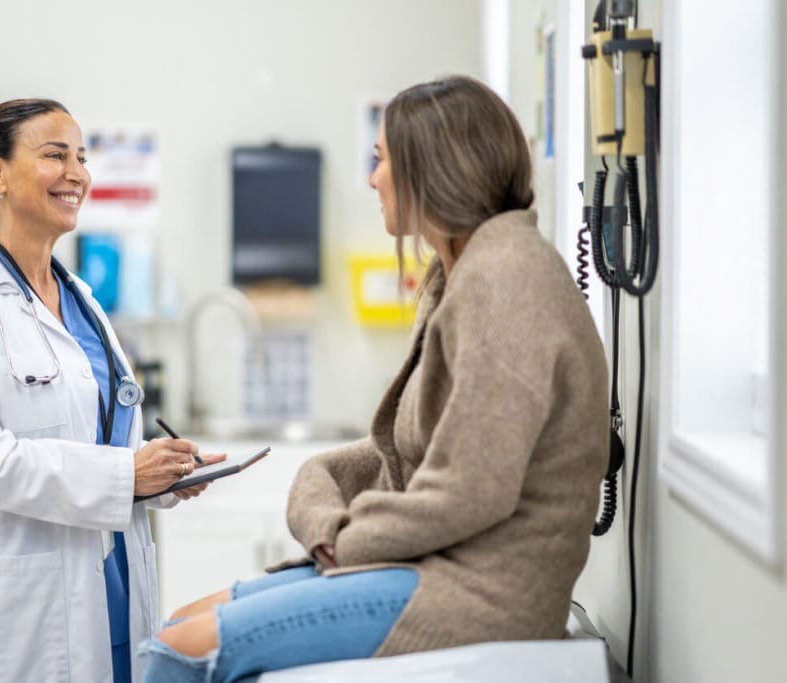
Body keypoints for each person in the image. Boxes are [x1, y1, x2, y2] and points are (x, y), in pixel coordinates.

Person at [138, 75, 610, 682]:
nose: (371, 178)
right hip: (433, 566)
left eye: (381, 159)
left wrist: (349, 542)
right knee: (180, 622)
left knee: (178, 651)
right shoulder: (464, 272)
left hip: (484, 592)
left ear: (431, 167)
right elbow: (420, 446)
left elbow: (472, 489)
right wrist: (321, 481)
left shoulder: (506, 281)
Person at [0, 98, 224, 682]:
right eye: (55, 155)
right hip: (16, 609)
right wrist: (127, 475)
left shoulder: (83, 302)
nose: (77, 173)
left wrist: (159, 474)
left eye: (82, 157)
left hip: (111, 583)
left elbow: (97, 446)